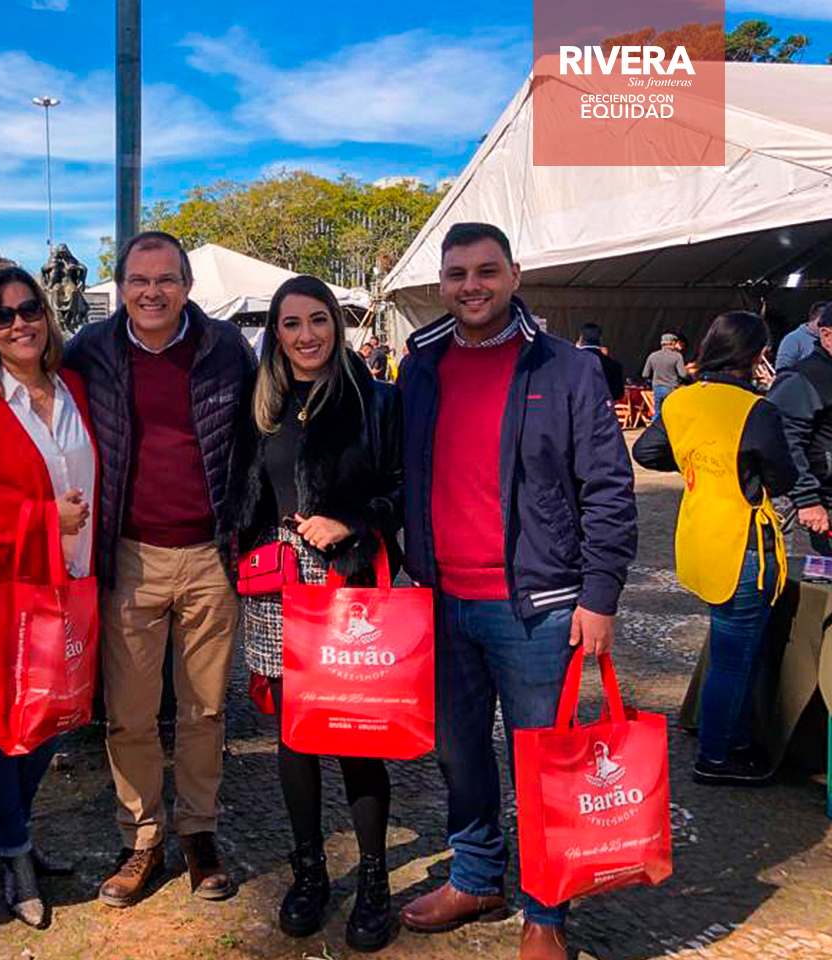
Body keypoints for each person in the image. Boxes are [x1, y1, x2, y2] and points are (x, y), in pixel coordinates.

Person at [396, 223, 637, 960]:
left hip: (539, 605)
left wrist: (600, 596)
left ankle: (546, 910)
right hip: (442, 599)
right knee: (459, 754)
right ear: (441, 282)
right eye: (457, 273)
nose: (471, 286)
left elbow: (609, 488)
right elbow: (398, 470)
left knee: (542, 760)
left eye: (486, 271)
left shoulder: (564, 368)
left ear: (515, 275)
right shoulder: (422, 365)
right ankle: (476, 877)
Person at [63, 231, 255, 907]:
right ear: (120, 287)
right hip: (129, 555)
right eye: (139, 280)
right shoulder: (90, 349)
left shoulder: (225, 347)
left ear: (187, 286)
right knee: (129, 715)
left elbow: (260, 430)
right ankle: (141, 838)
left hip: (209, 555)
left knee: (205, 711)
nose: (152, 292)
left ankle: (199, 832)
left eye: (165, 279)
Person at [223, 276, 402, 950]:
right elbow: (244, 493)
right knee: (295, 736)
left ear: (336, 324)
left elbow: (403, 489)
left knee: (356, 733)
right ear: (276, 333)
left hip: (346, 580)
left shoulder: (375, 400)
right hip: (275, 586)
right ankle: (309, 873)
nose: (306, 335)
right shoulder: (261, 404)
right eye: (292, 323)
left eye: (318, 320)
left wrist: (352, 520)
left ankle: (375, 881)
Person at [0, 266, 95, 929]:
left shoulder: (74, 387)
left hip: (66, 585)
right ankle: (15, 850)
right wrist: (43, 517)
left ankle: (9, 827)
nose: (18, 324)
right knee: (3, 732)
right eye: (1, 316)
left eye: (29, 309)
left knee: (54, 718)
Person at [633, 312, 794, 784]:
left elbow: (646, 451)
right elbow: (783, 477)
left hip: (700, 535)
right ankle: (717, 756)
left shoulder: (683, 399)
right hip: (743, 544)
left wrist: (695, 462)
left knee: (731, 649)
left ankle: (732, 738)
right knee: (734, 658)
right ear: (756, 354)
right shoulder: (756, 409)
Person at [768, 306, 832, 555]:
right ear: (826, 335)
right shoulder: (804, 379)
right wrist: (807, 499)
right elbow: (782, 440)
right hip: (817, 506)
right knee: (814, 572)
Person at [642, 333, 689, 419]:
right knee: (672, 413)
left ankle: (655, 427)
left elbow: (645, 374)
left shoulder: (652, 356)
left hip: (657, 388)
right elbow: (683, 375)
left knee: (657, 413)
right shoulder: (677, 356)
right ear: (672, 343)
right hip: (671, 388)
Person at [577, 323, 625, 402]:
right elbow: (618, 394)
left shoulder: (569, 363)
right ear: (600, 339)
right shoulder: (614, 365)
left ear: (581, 338)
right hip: (602, 407)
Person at [776, 303, 826, 371]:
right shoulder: (793, 339)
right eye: (821, 324)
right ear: (813, 318)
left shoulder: (827, 338)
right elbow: (782, 369)